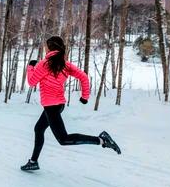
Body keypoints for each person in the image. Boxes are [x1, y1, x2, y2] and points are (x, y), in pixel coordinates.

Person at [21, 36, 121, 171]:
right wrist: (84, 96)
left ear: (49, 47)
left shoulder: (44, 64)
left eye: (46, 46)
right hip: (58, 105)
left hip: (51, 107)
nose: (44, 48)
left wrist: (31, 67)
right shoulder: (65, 64)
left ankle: (101, 140)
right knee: (39, 129)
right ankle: (33, 161)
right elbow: (83, 77)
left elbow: (31, 82)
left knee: (64, 139)